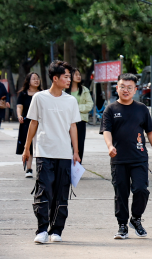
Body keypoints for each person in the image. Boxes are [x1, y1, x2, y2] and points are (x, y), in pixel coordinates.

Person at [22, 60, 81, 244]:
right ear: (55, 78)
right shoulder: (39, 98)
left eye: (69, 77)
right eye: (66, 77)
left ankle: (56, 230)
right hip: (43, 151)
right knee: (43, 190)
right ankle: (41, 230)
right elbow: (33, 123)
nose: (69, 80)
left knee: (61, 192)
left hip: (64, 153)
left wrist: (76, 151)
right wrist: (26, 148)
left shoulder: (70, 100)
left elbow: (73, 126)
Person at [100, 73, 152, 239]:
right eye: (122, 87)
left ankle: (136, 218)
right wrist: (110, 146)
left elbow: (150, 131)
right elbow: (106, 131)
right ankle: (122, 225)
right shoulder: (110, 109)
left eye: (129, 87)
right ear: (117, 88)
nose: (125, 90)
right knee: (121, 193)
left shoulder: (141, 108)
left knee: (141, 189)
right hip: (118, 159)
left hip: (139, 157)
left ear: (135, 90)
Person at [16, 72, 42, 178]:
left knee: (40, 145)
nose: (36, 80)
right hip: (27, 122)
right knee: (29, 145)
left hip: (40, 123)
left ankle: (42, 168)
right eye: (34, 79)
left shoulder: (42, 93)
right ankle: (29, 168)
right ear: (29, 81)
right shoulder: (23, 94)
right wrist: (19, 116)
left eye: (37, 78)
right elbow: (19, 107)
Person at [66, 68, 94, 163]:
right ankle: (65, 167)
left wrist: (76, 108)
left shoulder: (84, 90)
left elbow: (89, 105)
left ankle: (76, 167)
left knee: (79, 144)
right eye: (76, 74)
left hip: (80, 121)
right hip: (66, 121)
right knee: (66, 144)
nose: (79, 76)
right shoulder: (64, 90)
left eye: (79, 74)